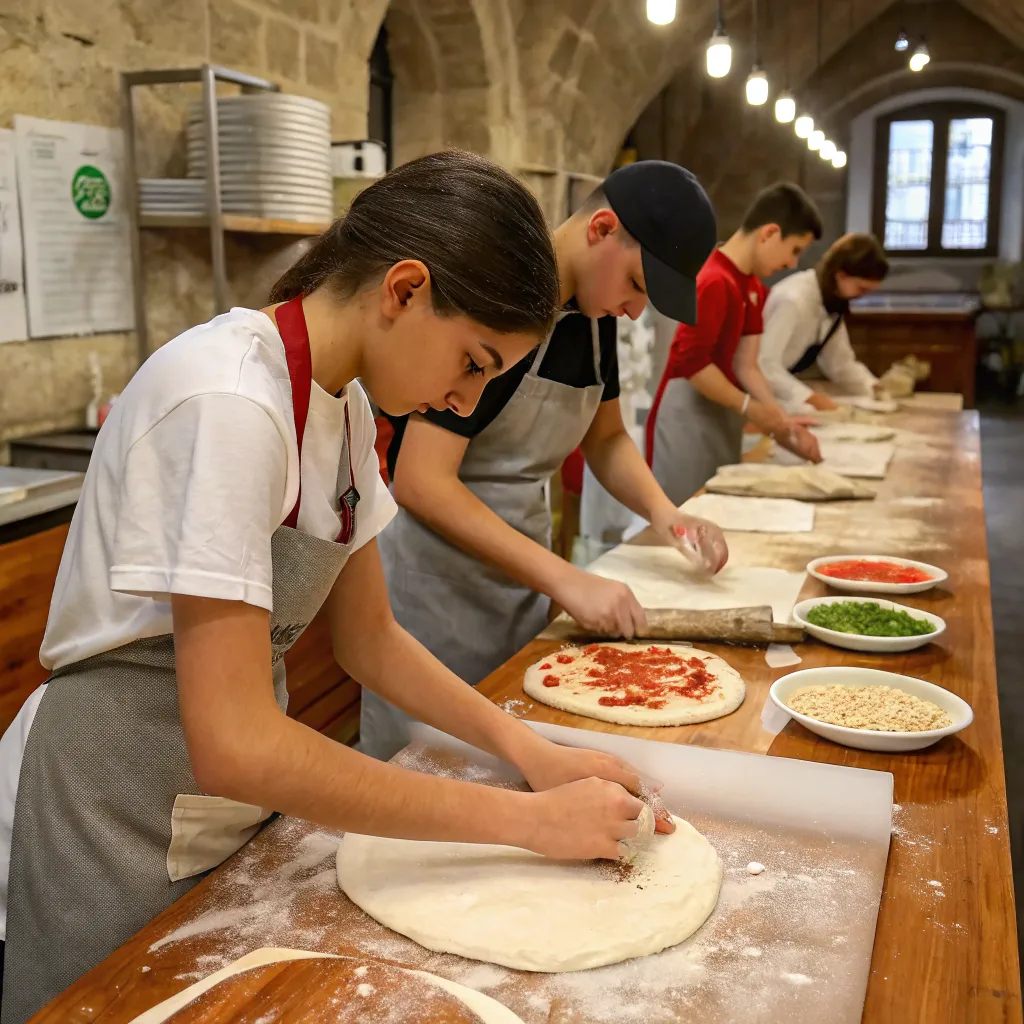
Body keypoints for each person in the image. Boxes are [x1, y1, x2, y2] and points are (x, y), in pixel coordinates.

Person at [0, 152, 662, 1023]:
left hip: (215, 808)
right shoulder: (232, 402)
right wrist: (527, 824)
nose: (463, 403)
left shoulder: (346, 408)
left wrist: (532, 754)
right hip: (106, 812)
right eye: (471, 361)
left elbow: (370, 639)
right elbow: (234, 740)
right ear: (404, 289)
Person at [363, 160, 729, 762]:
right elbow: (422, 481)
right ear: (602, 228)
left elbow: (606, 439)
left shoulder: (592, 317)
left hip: (520, 575)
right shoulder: (497, 300)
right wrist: (566, 578)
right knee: (430, 774)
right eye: (637, 284)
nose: (636, 310)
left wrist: (669, 516)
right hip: (439, 590)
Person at [646, 182, 825, 507]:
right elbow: (693, 365)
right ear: (769, 233)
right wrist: (750, 408)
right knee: (685, 515)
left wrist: (781, 422)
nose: (793, 264)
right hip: (688, 418)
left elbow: (747, 365)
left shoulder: (750, 285)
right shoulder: (714, 280)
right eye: (795, 250)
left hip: (719, 415)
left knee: (719, 509)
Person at [758, 232, 890, 412]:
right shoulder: (794, 300)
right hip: (747, 395)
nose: (862, 296)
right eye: (861, 288)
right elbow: (764, 365)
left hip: (773, 391)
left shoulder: (831, 302)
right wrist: (810, 399)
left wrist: (872, 386)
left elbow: (839, 364)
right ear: (841, 275)